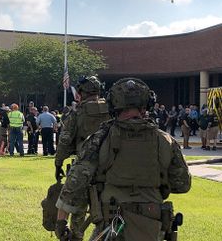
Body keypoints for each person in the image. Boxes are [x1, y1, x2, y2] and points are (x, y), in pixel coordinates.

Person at [55, 78, 191, 241]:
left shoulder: (100, 139)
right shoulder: (166, 140)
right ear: (146, 105)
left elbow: (75, 183)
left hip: (112, 226)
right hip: (153, 227)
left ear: (114, 105)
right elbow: (182, 184)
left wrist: (61, 223)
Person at [53, 75, 110, 241]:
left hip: (85, 167)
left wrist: (58, 164)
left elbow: (65, 141)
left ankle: (77, 235)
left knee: (77, 209)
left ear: (80, 93)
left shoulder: (77, 112)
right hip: (111, 168)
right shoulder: (112, 109)